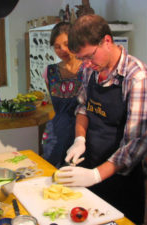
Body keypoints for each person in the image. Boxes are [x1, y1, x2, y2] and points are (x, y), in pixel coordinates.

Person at [56, 14, 147, 224]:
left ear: (107, 41)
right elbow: (83, 108)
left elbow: (136, 143)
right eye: (82, 58)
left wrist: (96, 175)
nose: (86, 63)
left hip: (121, 180)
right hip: (91, 165)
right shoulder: (90, 70)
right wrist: (79, 140)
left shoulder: (137, 77)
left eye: (89, 56)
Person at [41, 21, 84, 168]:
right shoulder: (49, 72)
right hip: (56, 133)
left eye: (66, 44)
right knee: (53, 176)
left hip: (82, 134)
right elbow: (55, 105)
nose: (62, 50)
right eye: (57, 46)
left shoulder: (89, 69)